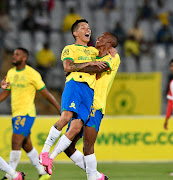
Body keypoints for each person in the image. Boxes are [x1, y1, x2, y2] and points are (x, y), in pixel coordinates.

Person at [39, 19, 111, 180]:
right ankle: (44, 152)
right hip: (75, 84)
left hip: (89, 92)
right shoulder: (69, 48)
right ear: (75, 33)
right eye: (83, 27)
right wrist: (91, 64)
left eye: (89, 27)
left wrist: (93, 62)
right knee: (66, 117)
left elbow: (102, 66)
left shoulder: (93, 51)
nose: (88, 30)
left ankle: (51, 159)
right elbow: (68, 67)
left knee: (76, 128)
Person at [0, 47, 61, 180]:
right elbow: (5, 92)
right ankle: (42, 172)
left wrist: (58, 108)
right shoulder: (10, 72)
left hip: (26, 113)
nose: (14, 56)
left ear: (24, 58)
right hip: (16, 114)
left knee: (15, 140)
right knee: (26, 144)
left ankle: (11, 175)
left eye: (17, 54)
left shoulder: (32, 74)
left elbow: (45, 94)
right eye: (14, 54)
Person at [164, 59, 173, 130]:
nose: (171, 68)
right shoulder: (171, 84)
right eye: (171, 66)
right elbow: (170, 102)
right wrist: (167, 119)